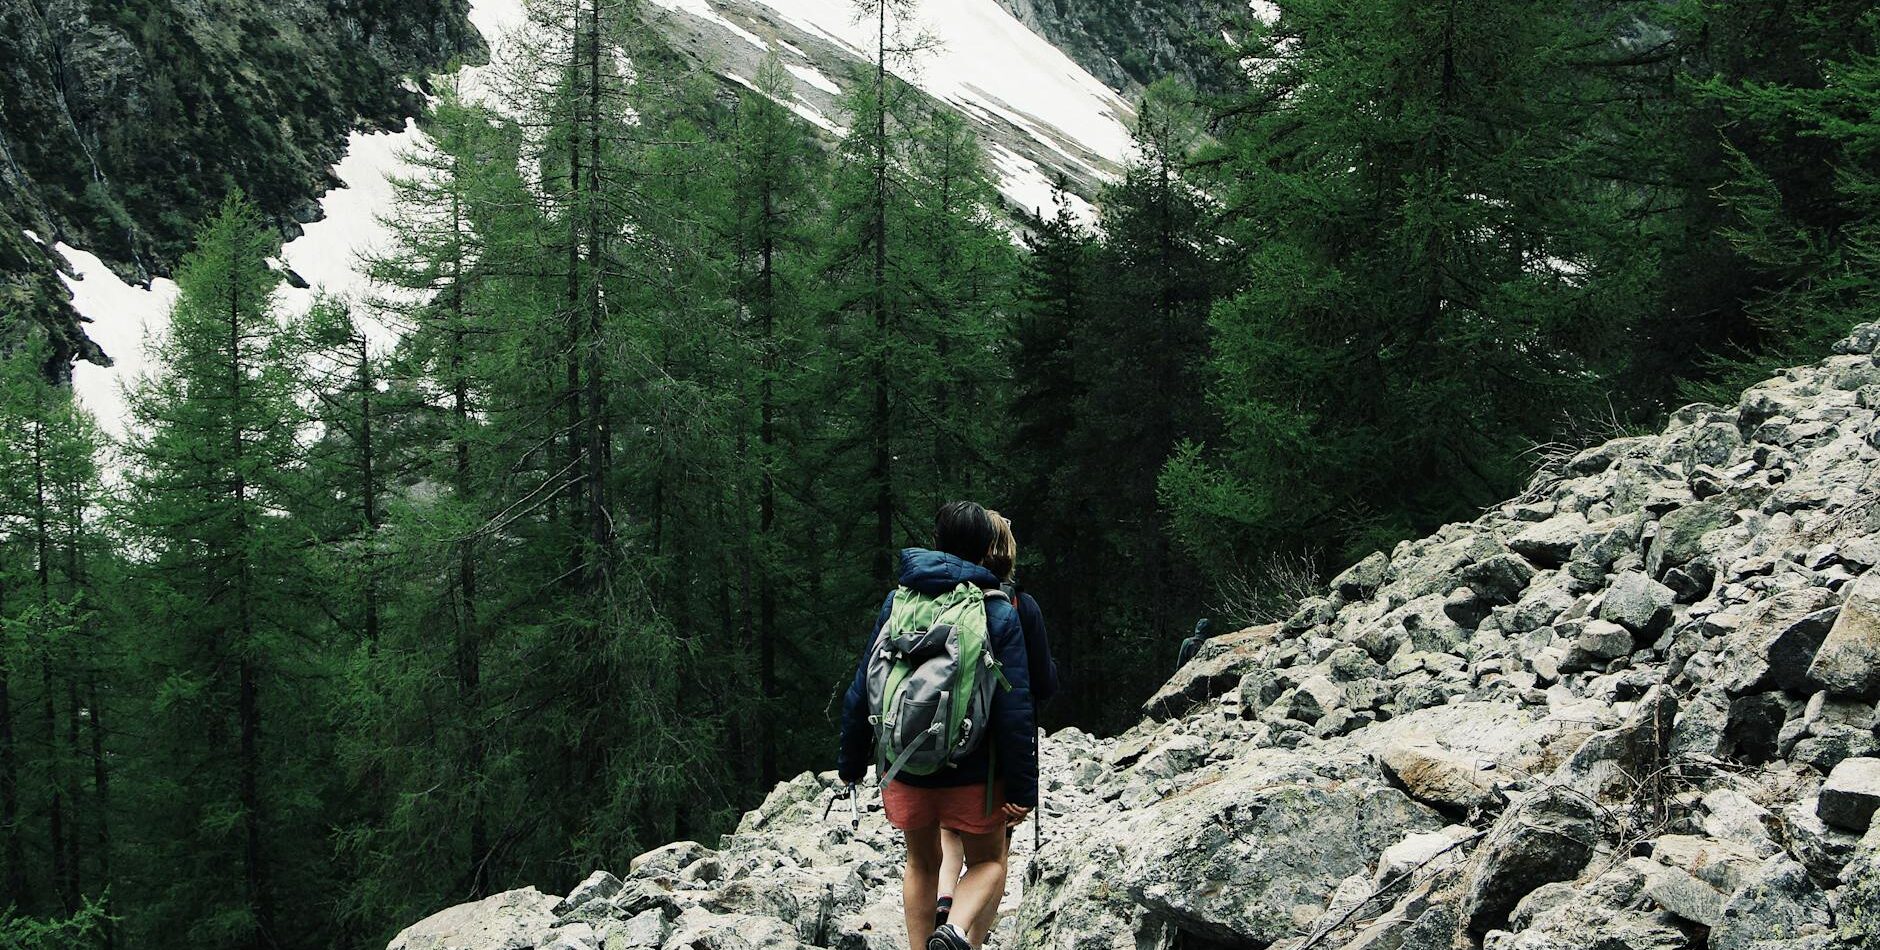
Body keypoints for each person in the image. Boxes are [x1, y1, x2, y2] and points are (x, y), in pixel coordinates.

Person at [838, 501, 1037, 950]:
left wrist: (851, 762)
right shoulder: (997, 611)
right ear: (987, 549)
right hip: (974, 769)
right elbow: (1015, 707)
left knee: (921, 863)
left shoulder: (898, 603)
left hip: (904, 762)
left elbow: (862, 687)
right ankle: (955, 930)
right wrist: (1023, 789)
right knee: (987, 862)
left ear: (938, 542)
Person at [935, 511, 1056, 942]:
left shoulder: (941, 598)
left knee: (947, 835)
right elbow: (1041, 684)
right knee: (993, 857)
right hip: (988, 759)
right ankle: (965, 937)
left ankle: (944, 899)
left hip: (936, 740)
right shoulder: (1019, 606)